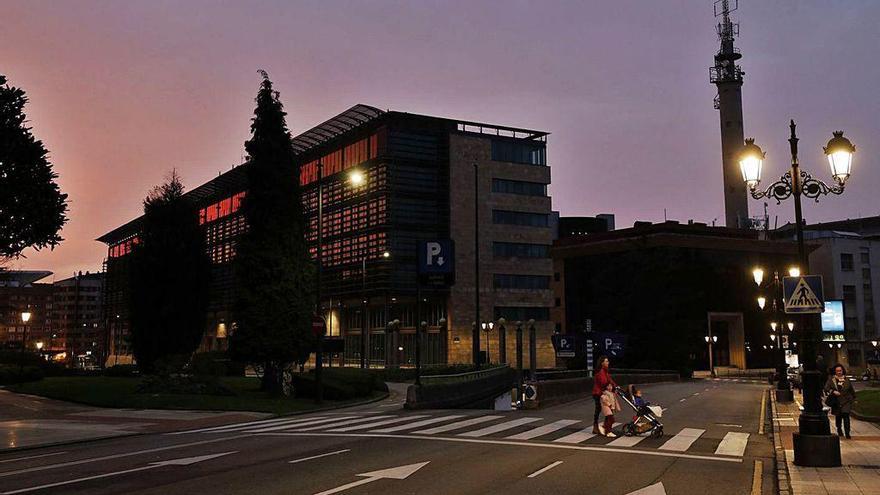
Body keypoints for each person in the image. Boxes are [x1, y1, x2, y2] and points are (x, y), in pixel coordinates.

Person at [824, 364, 855, 439]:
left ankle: (847, 433)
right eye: (837, 371)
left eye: (840, 371)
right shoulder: (832, 379)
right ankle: (839, 430)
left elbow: (851, 390)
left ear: (842, 371)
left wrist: (854, 398)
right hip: (836, 402)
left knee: (846, 415)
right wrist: (833, 391)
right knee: (838, 416)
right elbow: (826, 388)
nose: (839, 372)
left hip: (846, 401)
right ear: (835, 372)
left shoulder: (847, 379)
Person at [592, 356, 617, 434]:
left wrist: (615, 386)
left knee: (605, 409)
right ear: (602, 363)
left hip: (604, 393)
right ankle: (597, 426)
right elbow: (603, 383)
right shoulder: (600, 372)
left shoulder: (605, 371)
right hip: (598, 393)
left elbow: (610, 380)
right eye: (606, 361)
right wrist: (611, 386)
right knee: (600, 409)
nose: (608, 363)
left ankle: (605, 426)